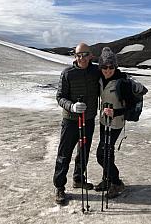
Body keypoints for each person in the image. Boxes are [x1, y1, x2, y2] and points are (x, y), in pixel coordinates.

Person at [94, 47, 148, 198]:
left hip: (116, 123)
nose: (107, 70)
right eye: (104, 66)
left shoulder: (121, 83)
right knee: (107, 153)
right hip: (104, 121)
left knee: (101, 154)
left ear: (115, 66)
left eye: (111, 67)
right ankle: (107, 179)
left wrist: (116, 112)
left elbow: (130, 106)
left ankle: (117, 183)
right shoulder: (100, 78)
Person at [53, 43, 100, 204]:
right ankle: (59, 187)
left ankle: (78, 179)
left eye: (85, 55)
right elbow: (60, 97)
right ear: (75, 56)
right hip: (70, 120)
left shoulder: (96, 71)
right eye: (79, 55)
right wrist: (72, 106)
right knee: (64, 154)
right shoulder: (67, 74)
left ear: (91, 56)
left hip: (89, 119)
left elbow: (112, 75)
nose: (82, 58)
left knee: (84, 152)